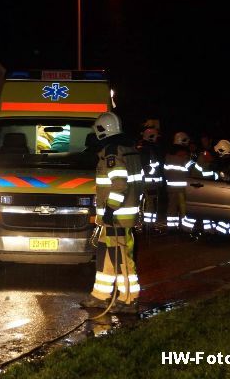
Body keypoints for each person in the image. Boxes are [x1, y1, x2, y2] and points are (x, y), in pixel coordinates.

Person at [80, 112, 143, 314]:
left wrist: (109, 209)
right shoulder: (129, 150)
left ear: (101, 131)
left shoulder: (112, 153)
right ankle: (101, 295)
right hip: (119, 217)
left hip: (117, 217)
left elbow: (119, 185)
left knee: (123, 259)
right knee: (107, 256)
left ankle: (128, 299)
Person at [136, 118, 166, 231]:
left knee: (139, 203)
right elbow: (153, 167)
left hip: (140, 182)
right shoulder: (151, 150)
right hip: (150, 182)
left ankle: (140, 224)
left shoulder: (139, 148)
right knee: (150, 205)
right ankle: (149, 226)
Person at [164, 132, 193, 231]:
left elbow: (165, 171)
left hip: (171, 186)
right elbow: (190, 169)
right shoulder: (185, 155)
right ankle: (185, 228)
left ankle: (171, 228)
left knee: (172, 208)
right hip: (182, 187)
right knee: (183, 208)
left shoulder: (168, 155)